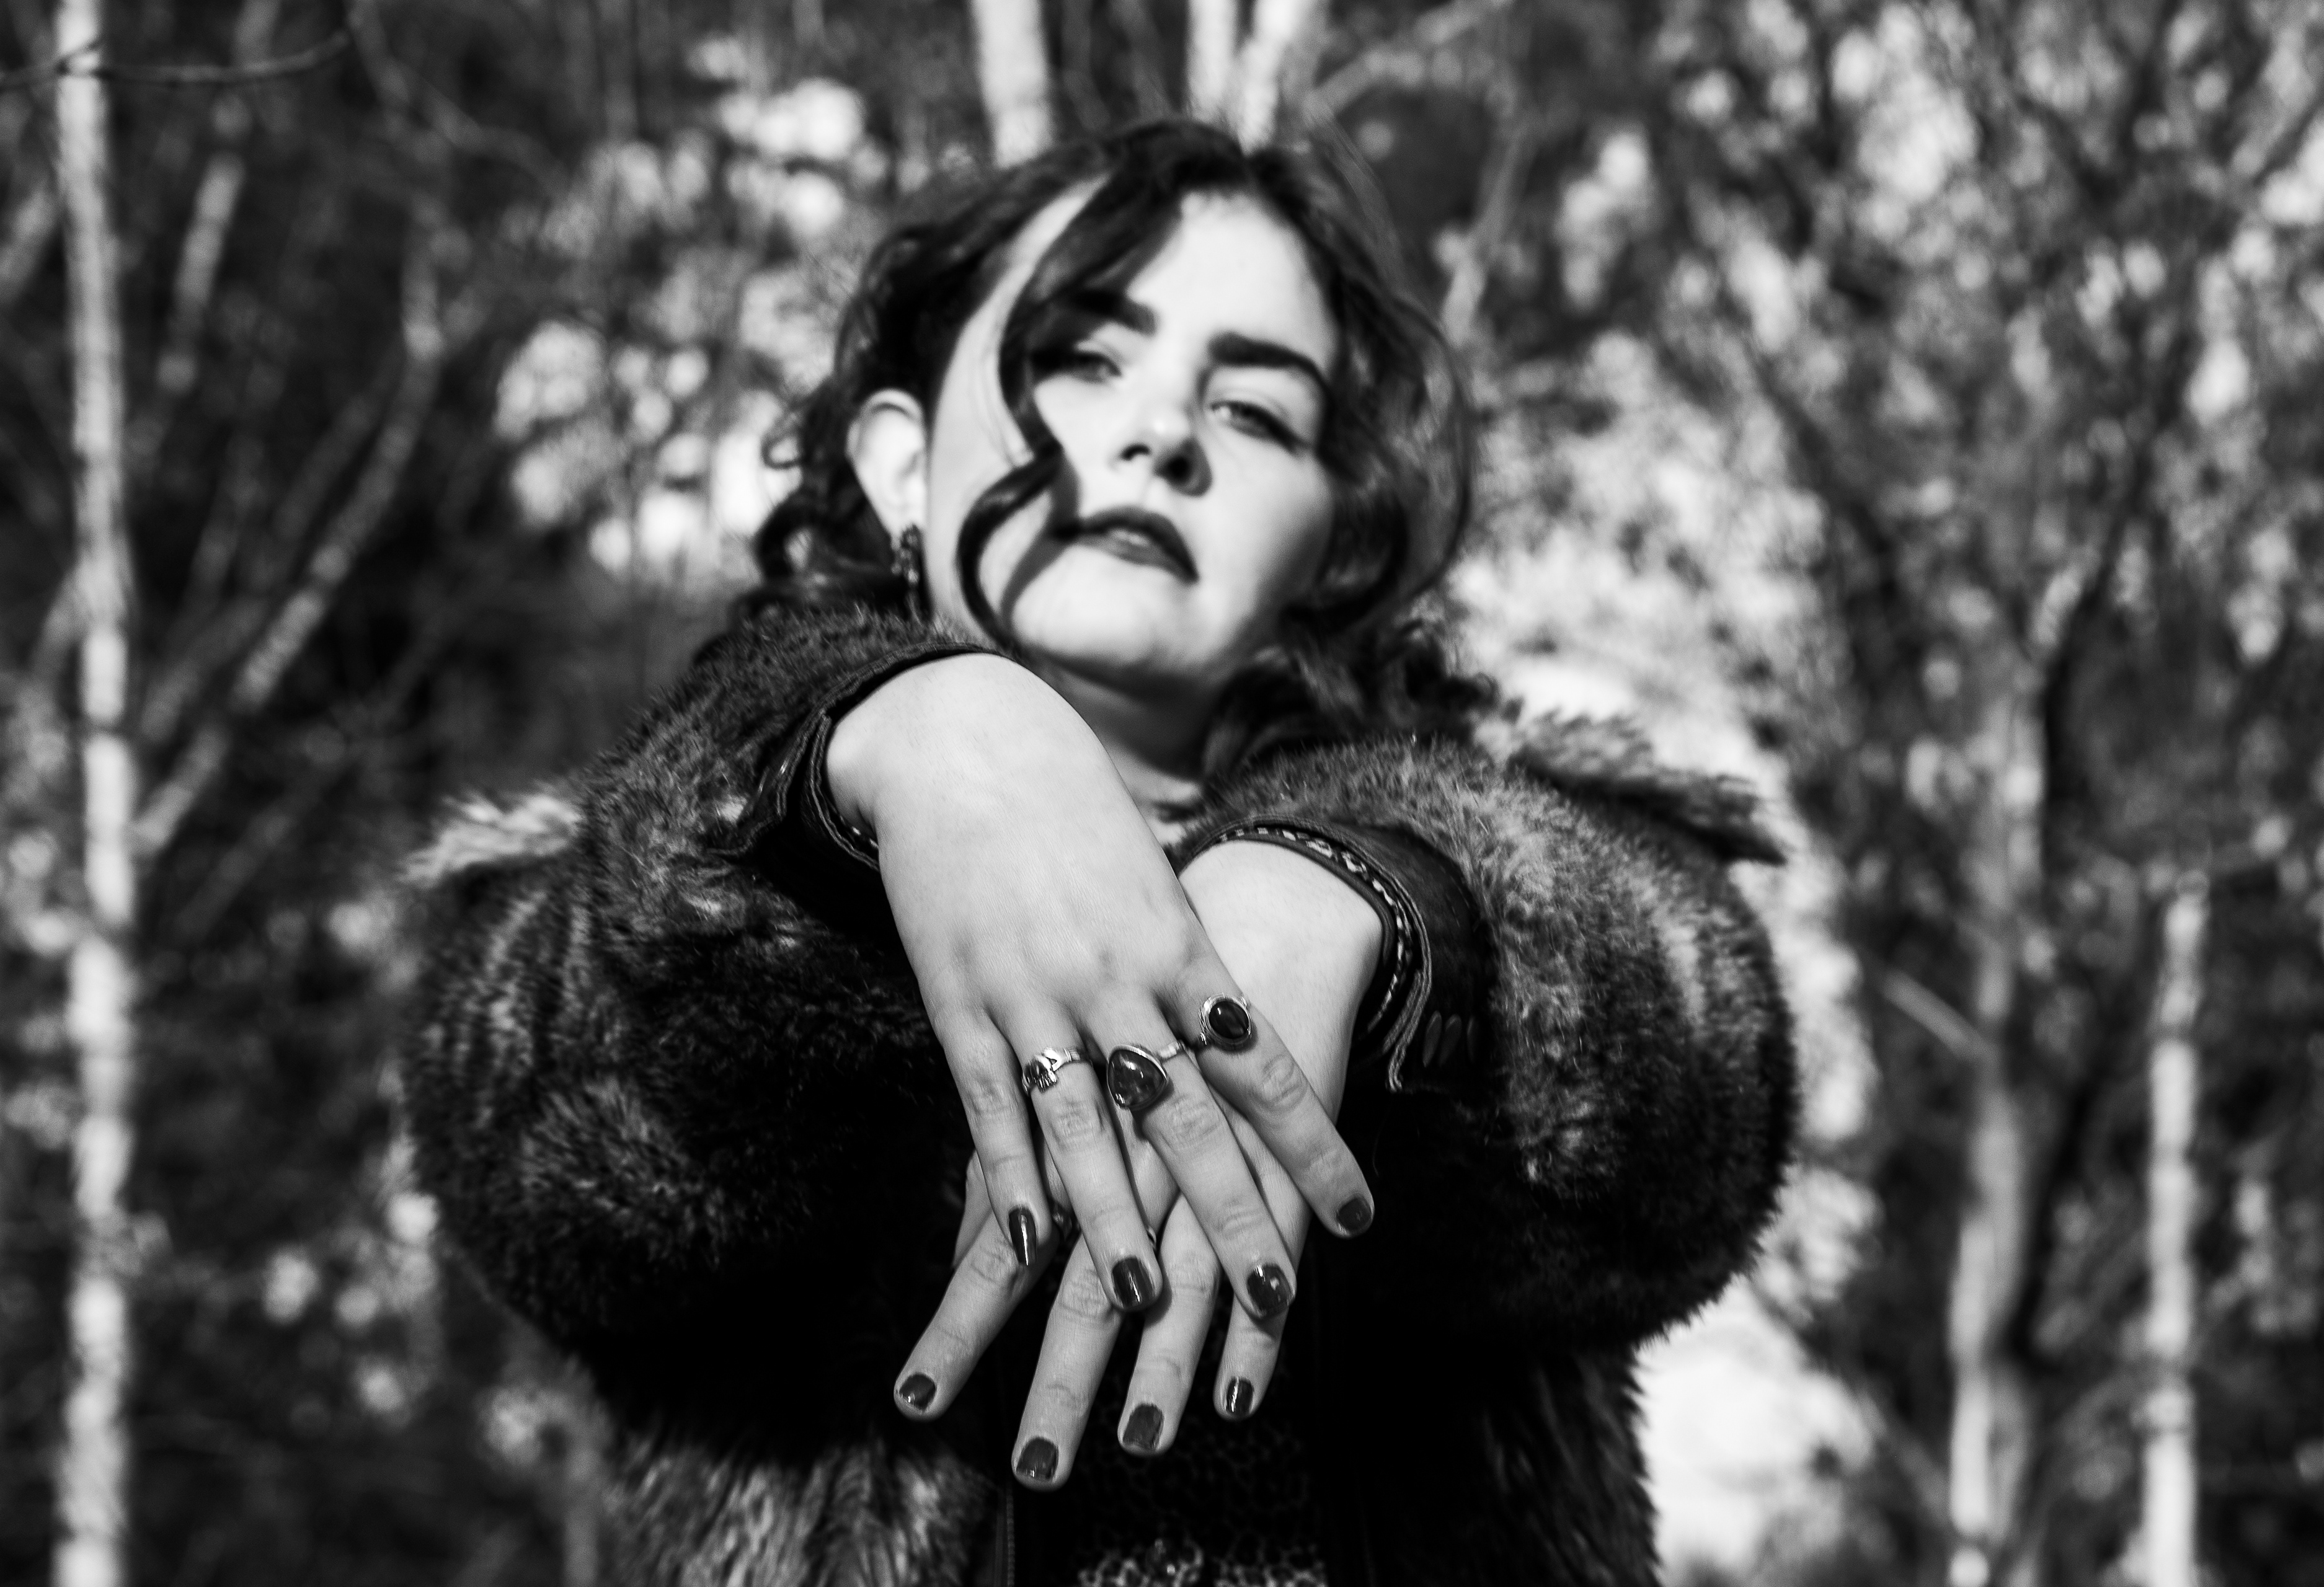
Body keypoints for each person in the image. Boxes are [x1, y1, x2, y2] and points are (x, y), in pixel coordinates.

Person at [403, 117, 1797, 1587]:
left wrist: (1382, 903)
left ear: (1327, 538)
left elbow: (1694, 1111)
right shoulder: (648, 865)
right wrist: (872, 754)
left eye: (1255, 410)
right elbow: (543, 1139)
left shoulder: (1542, 838)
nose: (1165, 432)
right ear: (901, 463)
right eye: (1082, 358)